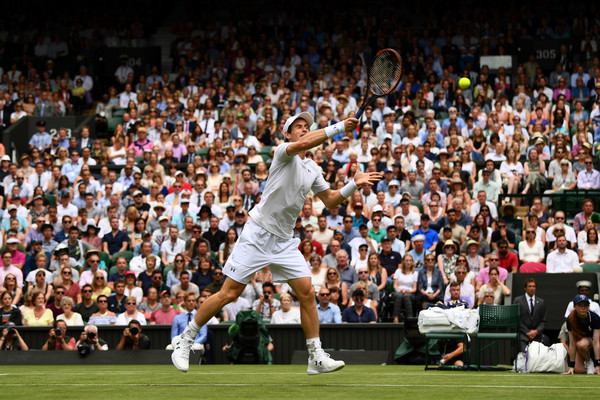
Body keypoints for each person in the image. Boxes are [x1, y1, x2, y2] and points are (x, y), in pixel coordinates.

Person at [171, 112, 381, 374]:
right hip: (257, 234)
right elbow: (304, 145)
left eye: (307, 127)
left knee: (307, 293)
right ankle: (185, 340)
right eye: (298, 128)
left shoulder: (313, 169)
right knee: (229, 293)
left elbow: (330, 201)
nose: (303, 131)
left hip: (284, 241)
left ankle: (315, 356)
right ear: (287, 135)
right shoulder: (283, 153)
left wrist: (353, 184)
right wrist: (340, 127)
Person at [564, 294, 600, 375]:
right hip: (579, 347)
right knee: (579, 371)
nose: (583, 308)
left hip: (592, 345)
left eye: (585, 305)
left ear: (588, 306)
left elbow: (596, 342)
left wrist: (598, 365)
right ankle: (588, 361)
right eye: (580, 305)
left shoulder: (595, 318)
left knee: (582, 344)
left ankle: (591, 363)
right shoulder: (570, 319)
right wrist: (571, 366)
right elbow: (572, 344)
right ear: (574, 307)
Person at [513, 278, 549, 352]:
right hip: (523, 335)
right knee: (525, 355)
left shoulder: (541, 302)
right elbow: (516, 319)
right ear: (525, 288)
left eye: (533, 286)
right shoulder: (518, 300)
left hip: (537, 336)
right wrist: (527, 332)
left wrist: (536, 331)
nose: (532, 288)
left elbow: (543, 321)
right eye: (529, 286)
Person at [392, 254, 418, 322]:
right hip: (398, 291)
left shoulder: (415, 273)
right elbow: (395, 286)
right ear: (403, 261)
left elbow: (414, 289)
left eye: (410, 260)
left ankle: (410, 320)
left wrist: (407, 291)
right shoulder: (398, 271)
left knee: (406, 296)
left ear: (412, 262)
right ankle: (396, 318)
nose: (408, 262)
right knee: (399, 295)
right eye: (406, 260)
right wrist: (402, 290)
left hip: (410, 293)